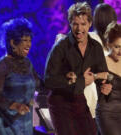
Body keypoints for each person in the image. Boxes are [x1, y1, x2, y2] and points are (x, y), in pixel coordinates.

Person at [44, 2, 110, 135]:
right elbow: (48, 80)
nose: (79, 28)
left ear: (90, 24)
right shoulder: (61, 47)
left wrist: (105, 86)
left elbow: (102, 74)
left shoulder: (95, 47)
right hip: (60, 102)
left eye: (83, 24)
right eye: (75, 24)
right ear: (70, 23)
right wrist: (78, 81)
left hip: (79, 99)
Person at [0, 18, 42, 135]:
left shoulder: (27, 63)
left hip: (24, 122)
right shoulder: (1, 66)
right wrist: (15, 106)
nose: (29, 44)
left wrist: (62, 77)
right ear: (12, 42)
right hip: (3, 124)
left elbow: (40, 85)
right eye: (25, 40)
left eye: (30, 40)